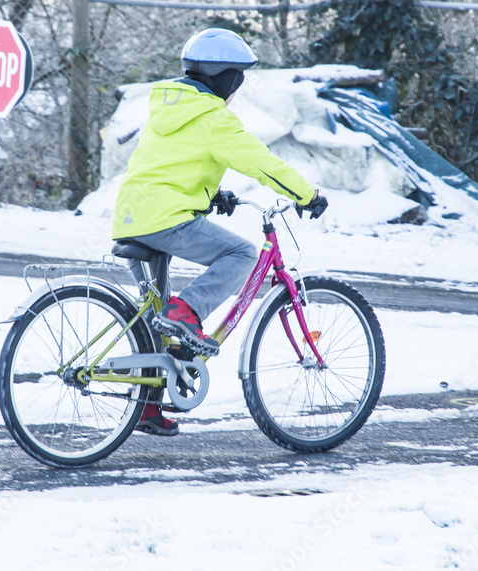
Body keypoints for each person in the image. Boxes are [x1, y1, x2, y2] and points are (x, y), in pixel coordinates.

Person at [112, 27, 328, 436]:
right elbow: (260, 162)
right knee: (242, 255)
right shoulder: (213, 117)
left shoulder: (168, 108)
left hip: (131, 217)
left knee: (156, 320)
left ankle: (147, 406)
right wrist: (305, 194)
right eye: (238, 77)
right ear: (225, 77)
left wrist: (211, 194)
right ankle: (187, 311)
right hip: (165, 219)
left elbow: (167, 166)